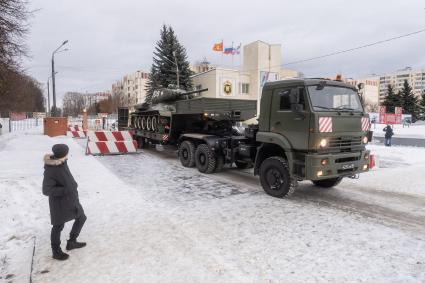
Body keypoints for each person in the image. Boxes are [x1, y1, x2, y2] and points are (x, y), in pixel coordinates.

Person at [42, 144, 87, 260]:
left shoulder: (62, 162)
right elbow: (46, 190)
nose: (68, 154)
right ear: (63, 153)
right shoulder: (51, 169)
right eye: (67, 152)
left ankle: (72, 242)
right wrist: (66, 190)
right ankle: (56, 251)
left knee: (81, 217)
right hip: (60, 203)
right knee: (58, 226)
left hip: (71, 199)